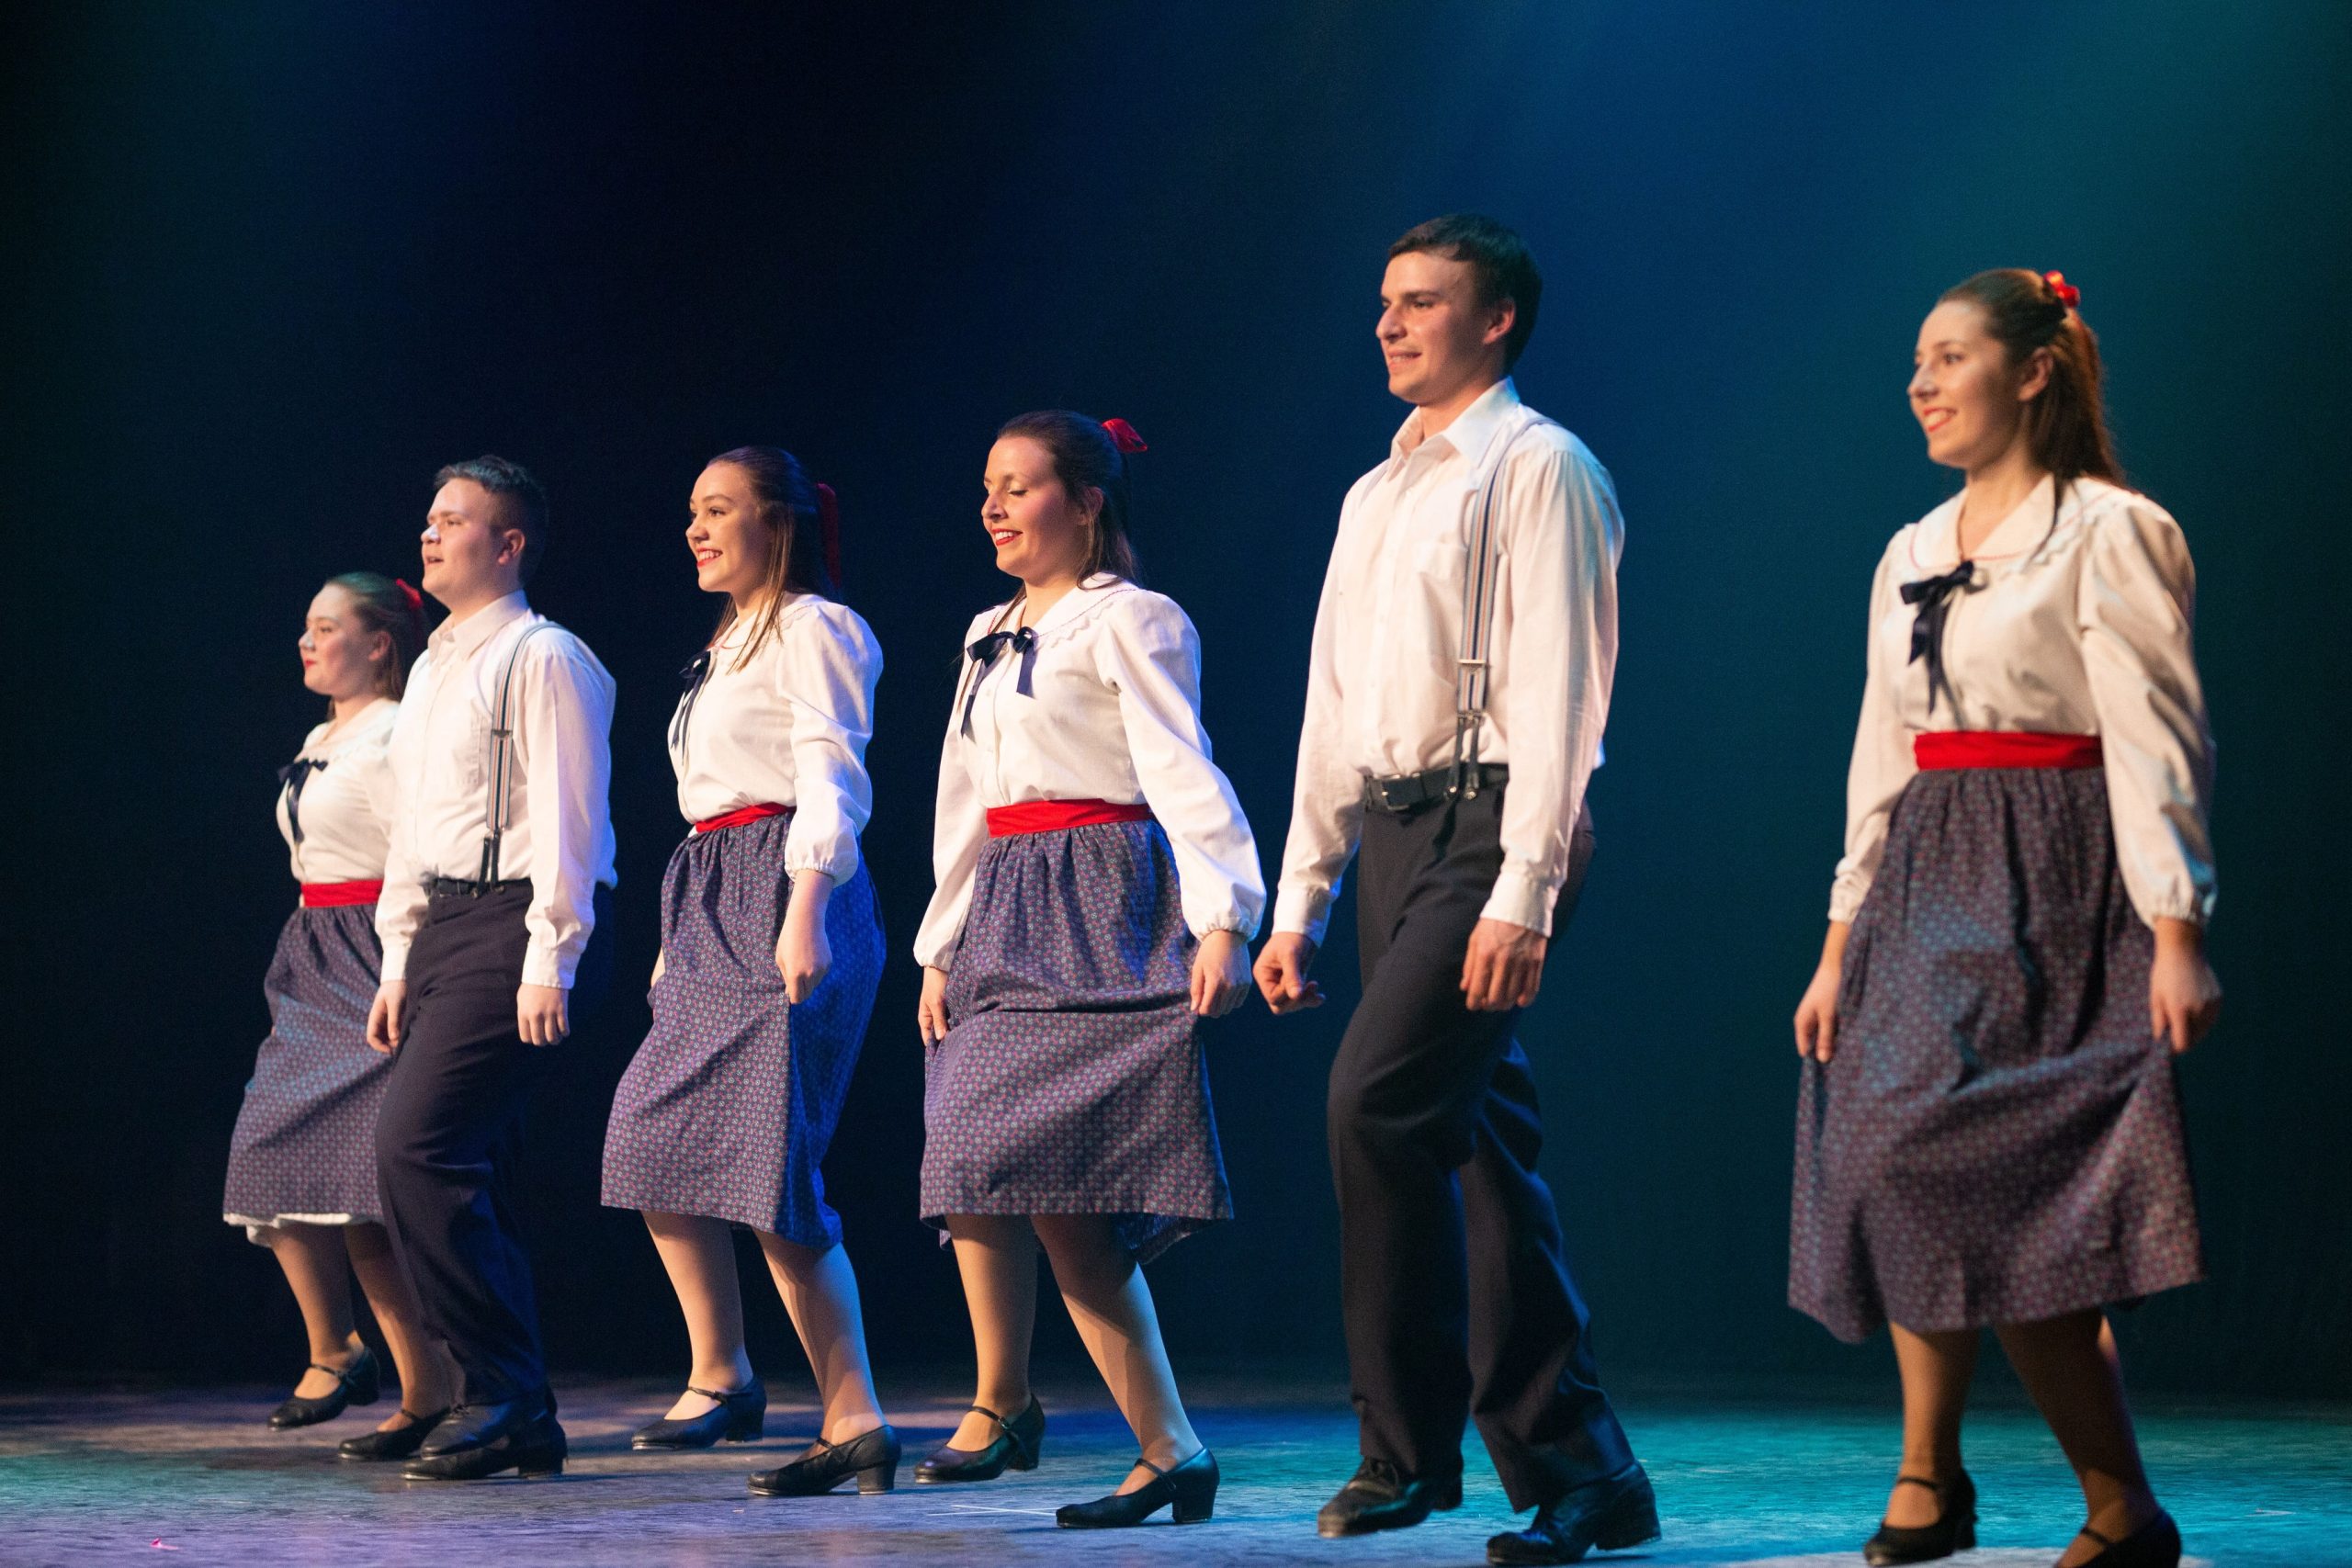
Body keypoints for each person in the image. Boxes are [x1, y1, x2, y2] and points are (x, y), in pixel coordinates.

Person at [1789, 269, 2219, 1568]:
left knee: (2016, 1198)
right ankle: (1933, 1470)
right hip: (1928, 867)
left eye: (1951, 356)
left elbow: (2158, 735)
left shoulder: (2111, 529)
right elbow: (1883, 746)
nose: (1921, 383)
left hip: (2060, 873)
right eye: (1915, 360)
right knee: (1885, 1147)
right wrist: (1836, 936)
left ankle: (2113, 1501)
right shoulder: (1912, 548)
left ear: (2033, 368)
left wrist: (2179, 923)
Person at [1254, 214, 1657, 1566]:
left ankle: (1409, 1446)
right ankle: (1588, 1467)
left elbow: (1563, 696)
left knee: (1374, 1105)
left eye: (1421, 300)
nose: (1389, 321)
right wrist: (1298, 891)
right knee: (1480, 1146)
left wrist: (1524, 889)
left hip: (1495, 825)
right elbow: (1333, 704)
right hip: (1393, 832)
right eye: (1384, 300)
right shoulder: (1377, 492)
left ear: (1496, 320)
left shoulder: (1542, 469)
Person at [913, 412, 1261, 1529]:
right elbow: (962, 803)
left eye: (1020, 486)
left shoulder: (1131, 621)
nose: (996, 507)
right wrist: (938, 945)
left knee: (1066, 1205)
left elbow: (1181, 767)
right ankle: (1005, 1402)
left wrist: (1224, 920)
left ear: (1087, 500)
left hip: (1099, 901)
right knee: (966, 1146)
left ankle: (1167, 1449)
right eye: (987, 488)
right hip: (1006, 904)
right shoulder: (985, 630)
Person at [601, 446, 899, 1496]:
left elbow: (830, 775)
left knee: (770, 1171)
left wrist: (806, 906)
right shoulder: (726, 643)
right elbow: (707, 803)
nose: (695, 528)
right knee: (650, 1135)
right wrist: (674, 936)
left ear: (778, 522)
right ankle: (722, 1373)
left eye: (718, 509)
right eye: (692, 511)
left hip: (785, 887)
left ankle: (854, 1412)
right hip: (710, 897)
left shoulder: (816, 627)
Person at [366, 455, 618, 1482]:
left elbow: (571, 812)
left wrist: (550, 954)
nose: (430, 535)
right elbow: (411, 825)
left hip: (517, 921)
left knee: (414, 1147)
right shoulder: (430, 667)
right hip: (442, 929)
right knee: (466, 1164)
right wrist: (394, 956)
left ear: (508, 544)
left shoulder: (545, 656)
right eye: (427, 519)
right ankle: (514, 1404)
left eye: (454, 520)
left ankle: (502, 1390)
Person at [223, 571, 458, 1458]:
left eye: (327, 628)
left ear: (380, 644)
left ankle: (427, 1386)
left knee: (364, 1191)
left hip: (373, 948)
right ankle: (338, 1349)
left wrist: (404, 964)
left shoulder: (396, 732)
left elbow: (417, 852)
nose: (306, 642)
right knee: (266, 1150)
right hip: (315, 947)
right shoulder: (329, 730)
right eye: (307, 627)